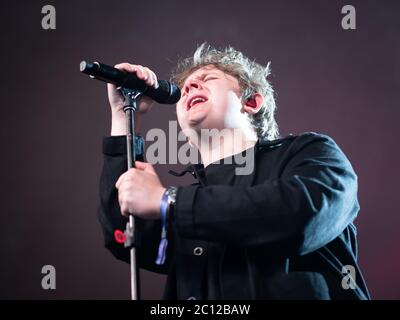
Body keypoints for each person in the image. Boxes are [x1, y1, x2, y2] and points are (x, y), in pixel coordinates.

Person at [97, 43, 370, 300]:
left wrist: (168, 201)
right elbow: (124, 236)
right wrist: (124, 115)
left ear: (251, 102)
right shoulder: (185, 206)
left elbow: (304, 214)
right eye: (184, 89)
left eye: (208, 78)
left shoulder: (309, 152)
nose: (190, 85)